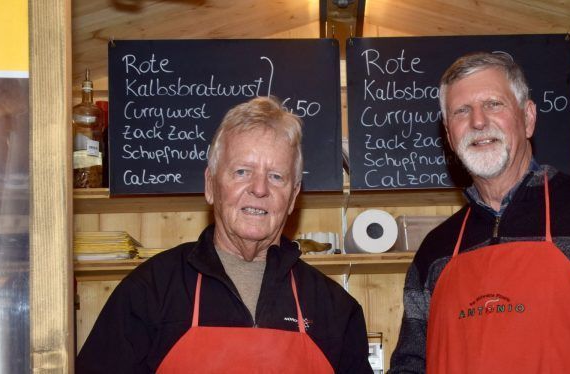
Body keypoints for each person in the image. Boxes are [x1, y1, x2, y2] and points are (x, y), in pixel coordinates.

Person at [388, 52, 570, 373]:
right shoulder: (434, 250)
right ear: (448, 133)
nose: (478, 121)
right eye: (461, 111)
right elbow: (409, 365)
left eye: (494, 104)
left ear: (527, 118)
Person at [77, 96, 373, 373]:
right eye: (242, 171)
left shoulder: (333, 307)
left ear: (293, 196)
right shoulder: (149, 292)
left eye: (276, 176)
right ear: (210, 185)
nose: (259, 189)